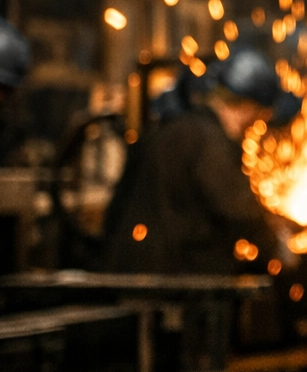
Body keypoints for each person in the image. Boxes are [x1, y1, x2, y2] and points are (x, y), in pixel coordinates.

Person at [103, 47, 283, 274]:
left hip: (134, 270)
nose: (254, 128)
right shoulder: (209, 141)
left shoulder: (170, 130)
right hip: (178, 281)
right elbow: (238, 210)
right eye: (259, 118)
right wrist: (276, 245)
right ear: (248, 107)